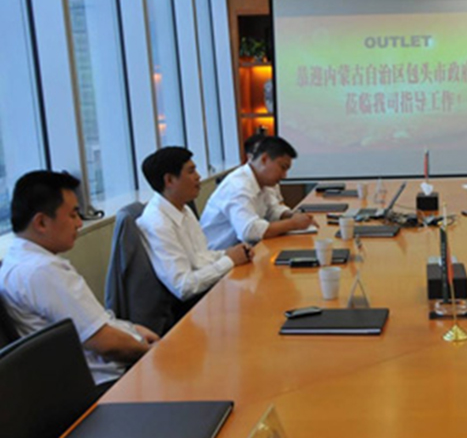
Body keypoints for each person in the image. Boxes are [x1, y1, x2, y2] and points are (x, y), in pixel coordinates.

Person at [0, 171, 158, 386]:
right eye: (73, 215)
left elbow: (96, 326)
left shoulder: (18, 261)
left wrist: (134, 331)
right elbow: (107, 343)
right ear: (41, 222)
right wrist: (150, 350)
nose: (79, 224)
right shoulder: (42, 271)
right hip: (107, 383)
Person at [137, 147, 251, 302]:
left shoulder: (183, 209)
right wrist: (229, 261)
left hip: (207, 292)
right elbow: (183, 286)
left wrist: (230, 254)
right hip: (189, 305)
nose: (198, 176)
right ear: (169, 180)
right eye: (191, 172)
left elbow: (201, 257)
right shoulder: (157, 223)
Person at [201, 136, 315, 250]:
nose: (284, 176)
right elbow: (249, 231)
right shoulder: (238, 186)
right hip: (219, 255)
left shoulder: (262, 181)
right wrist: (293, 223)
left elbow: (272, 210)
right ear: (264, 159)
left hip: (245, 250)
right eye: (283, 168)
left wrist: (293, 215)